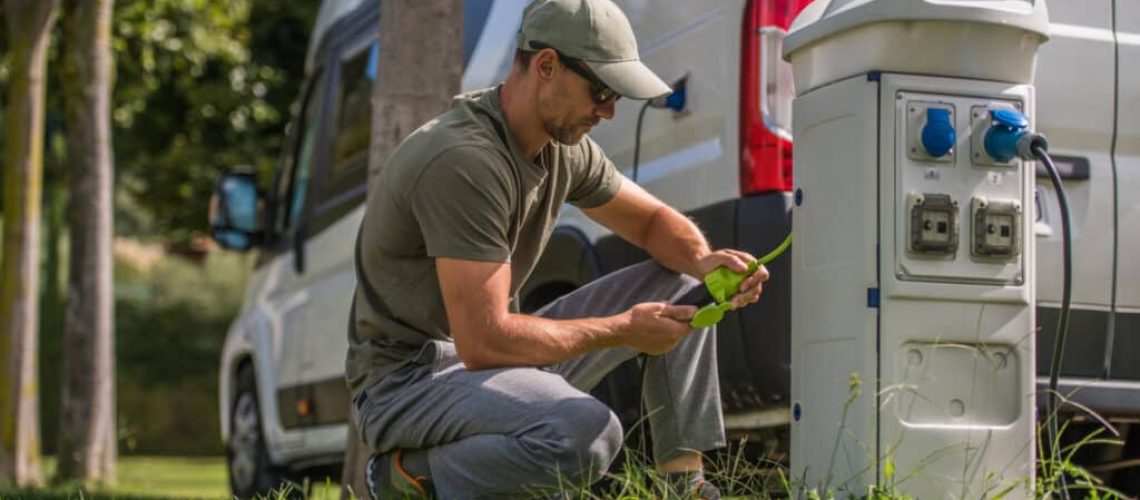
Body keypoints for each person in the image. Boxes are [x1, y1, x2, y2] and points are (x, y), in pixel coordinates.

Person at [345, 0, 769, 497]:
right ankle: (409, 474)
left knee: (683, 284)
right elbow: (483, 343)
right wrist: (622, 330)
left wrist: (704, 260)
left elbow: (654, 222)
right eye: (603, 91)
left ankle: (684, 487)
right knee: (585, 433)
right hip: (408, 383)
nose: (609, 112)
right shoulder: (464, 160)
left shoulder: (563, 147)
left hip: (487, 363)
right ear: (547, 66)